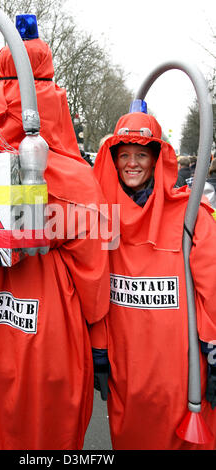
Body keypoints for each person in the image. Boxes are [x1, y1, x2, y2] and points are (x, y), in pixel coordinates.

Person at [0, 15, 110, 450]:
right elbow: (91, 278)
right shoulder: (74, 179)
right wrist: (99, 340)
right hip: (48, 334)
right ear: (57, 104)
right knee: (47, 434)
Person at [90, 104, 216, 450]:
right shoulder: (100, 220)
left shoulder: (190, 214)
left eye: (141, 154)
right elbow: (93, 289)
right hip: (127, 374)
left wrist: (215, 345)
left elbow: (212, 286)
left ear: (157, 158)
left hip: (181, 374)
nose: (132, 163)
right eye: (124, 154)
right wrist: (98, 349)